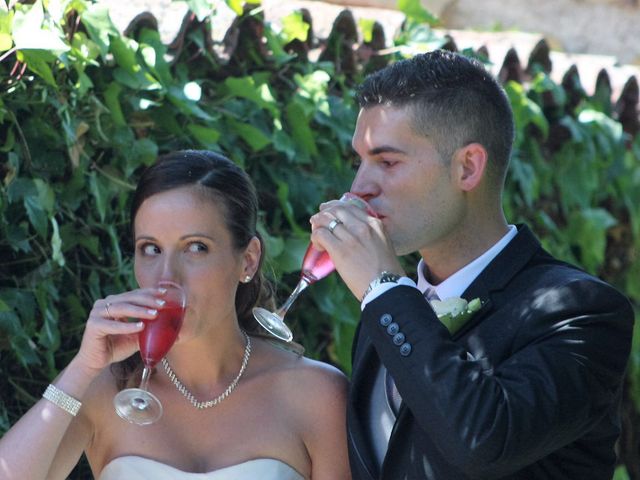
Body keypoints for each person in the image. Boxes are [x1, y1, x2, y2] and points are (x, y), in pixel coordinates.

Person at [309, 50, 634, 479]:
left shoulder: (583, 312)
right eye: (360, 162)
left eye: (387, 162)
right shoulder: (385, 311)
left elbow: (481, 439)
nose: (359, 188)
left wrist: (384, 287)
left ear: (467, 167)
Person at [0, 150, 351, 480]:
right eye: (150, 249)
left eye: (196, 248)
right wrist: (81, 369)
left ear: (248, 259)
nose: (166, 277)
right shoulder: (103, 389)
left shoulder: (316, 394)